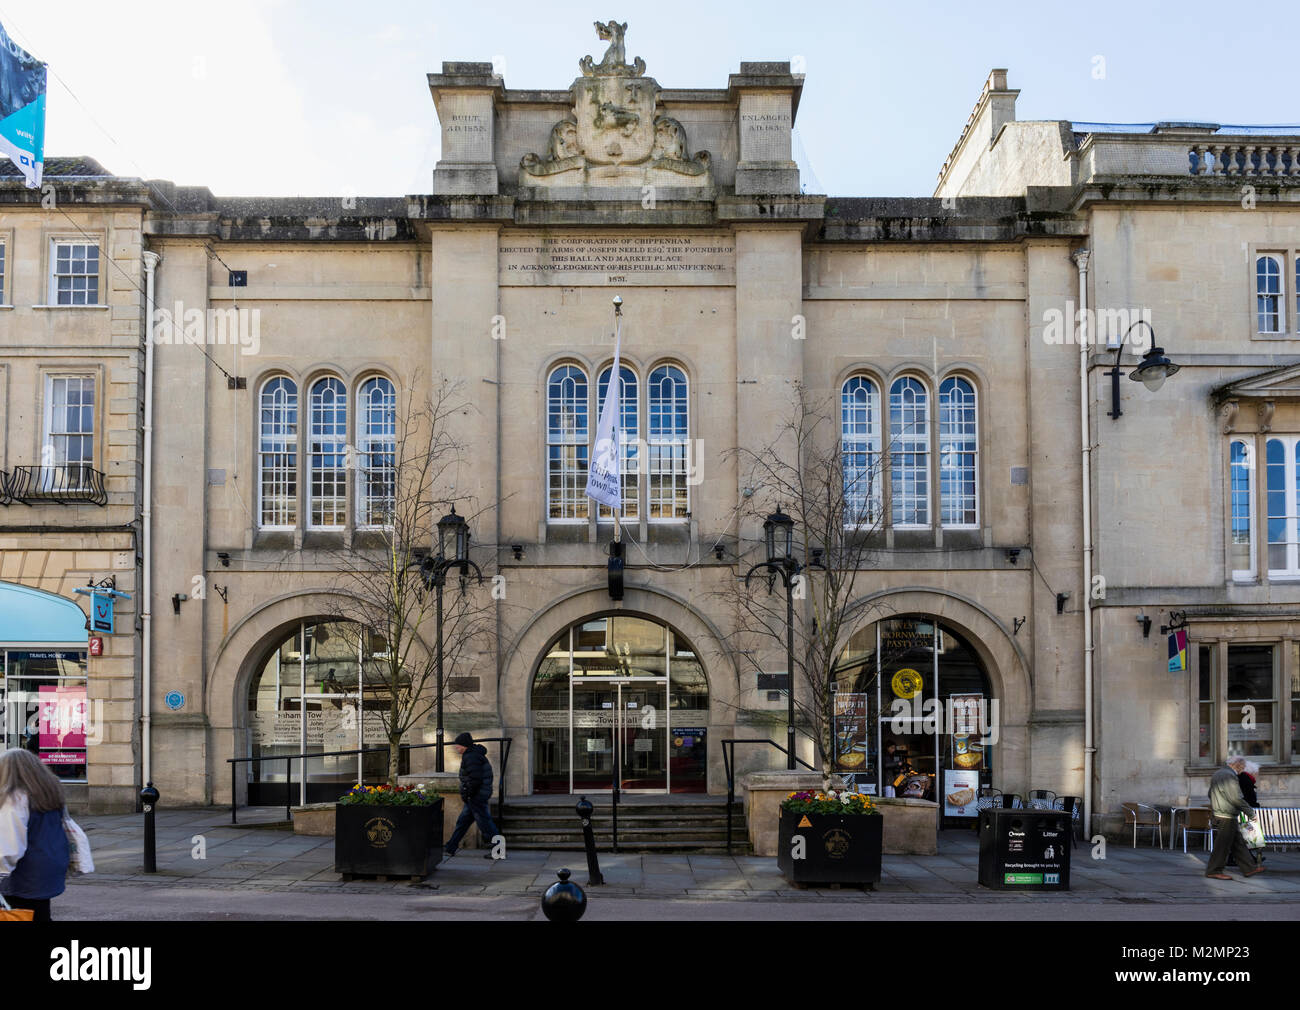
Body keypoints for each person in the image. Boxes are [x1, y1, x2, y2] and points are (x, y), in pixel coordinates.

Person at [0, 748, 71, 921]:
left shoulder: (15, 798)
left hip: (23, 875)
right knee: (39, 913)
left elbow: (9, 847)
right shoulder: (50, 795)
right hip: (47, 869)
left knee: (20, 914)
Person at [443, 733, 503, 860]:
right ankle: (450, 847)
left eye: (458, 745)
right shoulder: (473, 755)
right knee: (463, 823)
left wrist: (468, 793)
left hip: (476, 796)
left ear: (464, 746)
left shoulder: (471, 757)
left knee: (485, 823)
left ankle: (498, 850)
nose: (456, 748)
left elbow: (475, 779)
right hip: (476, 795)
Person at [1205, 759, 1261, 880]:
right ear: (1238, 766)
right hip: (1227, 814)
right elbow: (1236, 798)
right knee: (1222, 845)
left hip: (1221, 813)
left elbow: (1210, 793)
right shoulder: (1230, 776)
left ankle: (1249, 868)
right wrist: (1251, 813)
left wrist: (1217, 803)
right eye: (1243, 767)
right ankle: (1214, 870)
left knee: (1238, 843)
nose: (1243, 770)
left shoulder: (1218, 773)